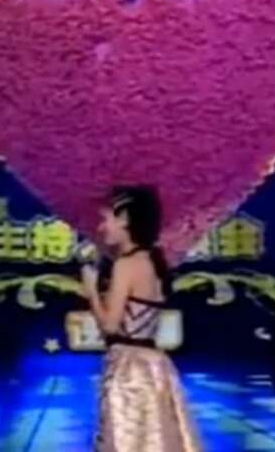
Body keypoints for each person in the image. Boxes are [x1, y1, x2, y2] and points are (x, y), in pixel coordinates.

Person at [81, 186, 200, 452]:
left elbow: (110, 326)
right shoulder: (152, 261)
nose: (101, 228)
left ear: (124, 219)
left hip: (129, 370)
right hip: (156, 366)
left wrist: (91, 292)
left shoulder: (126, 265)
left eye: (105, 219)